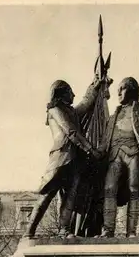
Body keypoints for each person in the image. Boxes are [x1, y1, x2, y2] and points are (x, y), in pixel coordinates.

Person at [24, 77, 100, 238]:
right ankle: (28, 231)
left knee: (69, 197)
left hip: (75, 160)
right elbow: (70, 131)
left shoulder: (70, 111)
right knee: (47, 195)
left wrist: (94, 86)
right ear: (62, 94)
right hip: (61, 157)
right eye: (71, 92)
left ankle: (63, 230)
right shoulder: (54, 110)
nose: (74, 95)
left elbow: (85, 105)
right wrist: (90, 149)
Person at [97, 77, 139, 237]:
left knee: (134, 190)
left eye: (122, 88)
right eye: (118, 88)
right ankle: (108, 231)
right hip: (114, 155)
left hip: (134, 153)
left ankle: (131, 232)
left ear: (132, 90)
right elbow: (105, 141)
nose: (118, 92)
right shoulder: (114, 116)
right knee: (108, 189)